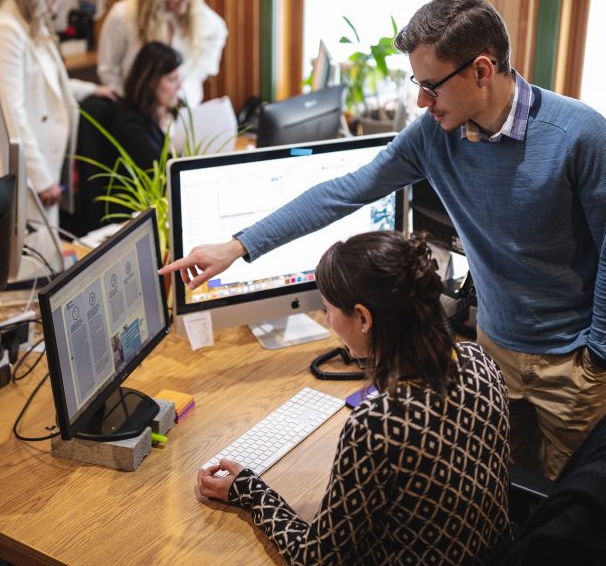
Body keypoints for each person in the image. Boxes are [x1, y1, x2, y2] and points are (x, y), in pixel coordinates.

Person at [163, 0, 606, 480]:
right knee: (507, 491)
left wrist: (599, 358)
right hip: (494, 352)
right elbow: (345, 191)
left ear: (481, 70)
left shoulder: (579, 134)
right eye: (417, 82)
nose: (420, 100)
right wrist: (239, 245)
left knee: (571, 510)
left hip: (572, 362)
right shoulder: (435, 135)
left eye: (431, 85)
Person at [197, 231, 512, 564]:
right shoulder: (480, 361)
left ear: (362, 318)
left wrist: (250, 491)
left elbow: (317, 558)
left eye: (329, 309)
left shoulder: (378, 423)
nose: (326, 320)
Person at [0, 0, 115, 234]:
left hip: (35, 167)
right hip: (14, 171)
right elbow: (12, 114)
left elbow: (47, 86)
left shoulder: (31, 25)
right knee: (21, 269)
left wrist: (92, 91)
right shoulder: (4, 31)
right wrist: (43, 178)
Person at [97, 0, 227, 109]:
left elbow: (219, 31)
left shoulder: (193, 12)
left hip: (183, 108)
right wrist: (127, 102)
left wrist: (197, 74)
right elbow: (108, 70)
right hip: (139, 109)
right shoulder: (123, 14)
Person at [75, 42, 182, 234]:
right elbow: (162, 170)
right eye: (172, 79)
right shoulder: (129, 124)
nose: (179, 87)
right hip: (133, 219)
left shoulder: (169, 113)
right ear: (151, 81)